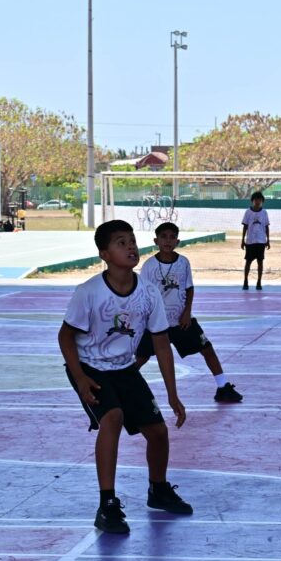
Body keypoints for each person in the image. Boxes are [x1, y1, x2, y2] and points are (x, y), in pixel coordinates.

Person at [57, 220, 192, 535]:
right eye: (121, 242)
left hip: (123, 368)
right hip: (89, 367)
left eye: (132, 240)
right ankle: (107, 505)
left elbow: (161, 343)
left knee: (158, 432)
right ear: (104, 254)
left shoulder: (148, 293)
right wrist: (79, 378)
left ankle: (158, 490)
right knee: (113, 417)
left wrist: (172, 394)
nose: (130, 246)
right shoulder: (89, 292)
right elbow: (65, 337)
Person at [137, 222, 244, 403]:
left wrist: (187, 312)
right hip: (156, 323)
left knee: (207, 349)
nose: (167, 241)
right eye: (163, 237)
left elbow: (189, 289)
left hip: (181, 321)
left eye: (172, 237)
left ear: (177, 241)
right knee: (141, 357)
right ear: (156, 241)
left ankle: (223, 387)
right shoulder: (149, 265)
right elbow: (143, 294)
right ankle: (121, 386)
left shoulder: (183, 262)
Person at [241, 192, 270, 290]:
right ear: (252, 201)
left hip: (261, 241)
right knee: (248, 262)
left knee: (260, 262)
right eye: (256, 199)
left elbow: (266, 227)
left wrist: (268, 240)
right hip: (250, 241)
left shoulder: (264, 212)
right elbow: (245, 226)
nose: (258, 201)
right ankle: (245, 281)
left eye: (260, 200)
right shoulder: (248, 212)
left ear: (262, 201)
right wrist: (242, 240)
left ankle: (259, 282)